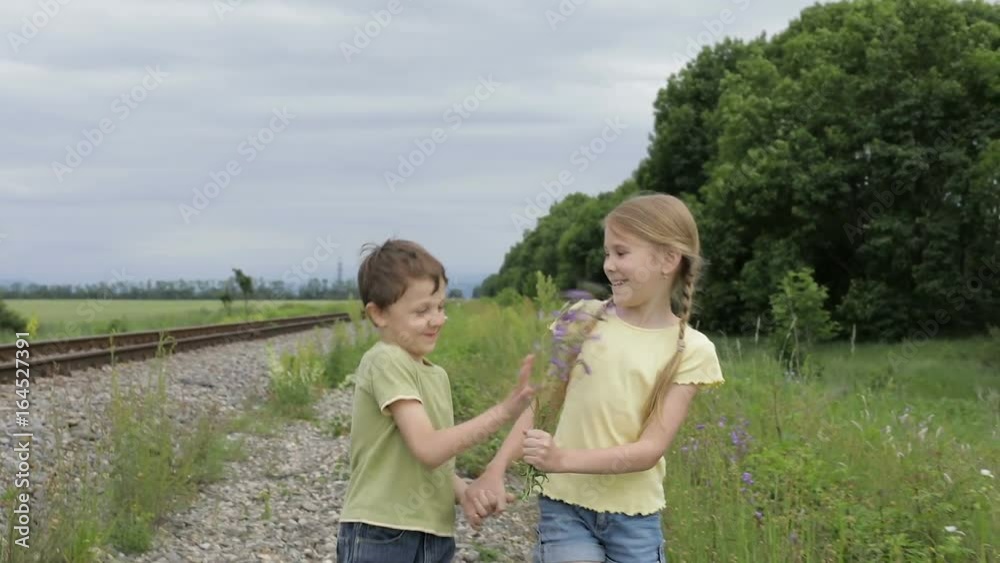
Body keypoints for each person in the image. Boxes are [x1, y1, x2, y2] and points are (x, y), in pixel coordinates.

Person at [466, 193, 725, 562]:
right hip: (564, 506)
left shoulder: (692, 349)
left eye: (621, 253)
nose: (609, 266)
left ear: (668, 259)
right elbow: (541, 404)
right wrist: (496, 468)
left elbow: (650, 449)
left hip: (635, 519)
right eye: (607, 254)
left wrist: (562, 458)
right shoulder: (583, 318)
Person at [337, 238, 535, 563]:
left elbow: (431, 463)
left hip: (433, 535)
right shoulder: (386, 360)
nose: (438, 319)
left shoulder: (435, 375)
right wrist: (502, 412)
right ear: (378, 314)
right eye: (422, 311)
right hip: (383, 531)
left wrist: (464, 492)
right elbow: (428, 448)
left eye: (441, 307)